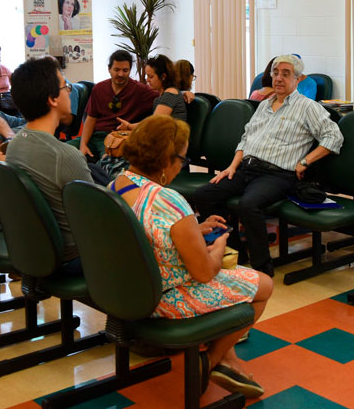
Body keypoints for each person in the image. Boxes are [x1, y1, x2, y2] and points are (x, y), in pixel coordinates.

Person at [109, 115, 272, 399]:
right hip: (165, 298)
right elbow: (205, 273)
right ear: (165, 161)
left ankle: (227, 360)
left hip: (127, 291)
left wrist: (192, 230)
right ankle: (212, 359)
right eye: (182, 159)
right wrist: (219, 246)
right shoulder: (169, 200)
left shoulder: (119, 184)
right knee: (264, 285)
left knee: (229, 283)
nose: (182, 166)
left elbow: (147, 231)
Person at [192, 55, 343, 276]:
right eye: (275, 73)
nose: (278, 78)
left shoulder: (308, 107)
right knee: (204, 195)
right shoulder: (264, 105)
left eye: (285, 73)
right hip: (246, 168)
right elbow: (246, 138)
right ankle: (235, 250)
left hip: (278, 174)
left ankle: (262, 267)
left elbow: (333, 137)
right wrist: (232, 166)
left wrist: (305, 161)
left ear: (298, 79)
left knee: (248, 204)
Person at [6, 56, 93, 274]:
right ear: (52, 99)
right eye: (66, 87)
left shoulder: (14, 145)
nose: (69, 92)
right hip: (72, 257)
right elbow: (96, 219)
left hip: (35, 250)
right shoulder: (64, 156)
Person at [73, 50, 158, 159]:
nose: (121, 74)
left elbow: (164, 94)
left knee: (107, 161)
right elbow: (90, 119)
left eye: (125, 70)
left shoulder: (140, 90)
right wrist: (83, 145)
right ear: (109, 69)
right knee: (61, 150)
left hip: (116, 138)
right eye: (117, 70)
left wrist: (183, 92)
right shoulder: (99, 89)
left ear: (130, 70)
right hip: (95, 136)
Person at [116, 54, 187, 130]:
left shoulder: (170, 94)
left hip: (172, 140)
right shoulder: (163, 94)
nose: (147, 80)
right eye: (147, 76)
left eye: (151, 77)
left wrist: (128, 126)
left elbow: (152, 124)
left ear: (163, 77)